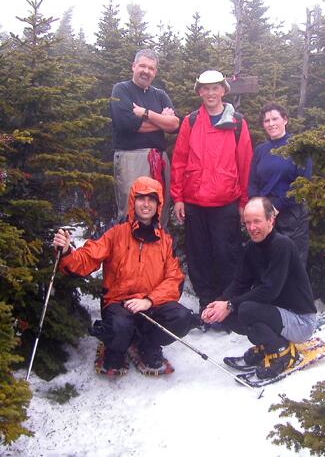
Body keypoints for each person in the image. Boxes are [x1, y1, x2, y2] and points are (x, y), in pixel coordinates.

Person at [53, 176, 194, 377]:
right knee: (120, 327)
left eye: (151, 199)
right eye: (141, 198)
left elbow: (174, 280)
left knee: (181, 317)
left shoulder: (166, 241)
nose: (146, 204)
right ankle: (115, 348)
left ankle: (149, 344)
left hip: (150, 306)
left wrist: (148, 300)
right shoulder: (116, 233)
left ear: (158, 204)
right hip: (119, 304)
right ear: (132, 202)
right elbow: (87, 258)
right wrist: (67, 252)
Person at [201, 197, 317, 379]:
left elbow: (270, 290)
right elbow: (240, 283)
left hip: (300, 321)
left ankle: (283, 353)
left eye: (257, 221)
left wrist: (231, 304)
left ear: (271, 220)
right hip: (277, 314)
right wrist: (220, 303)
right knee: (227, 314)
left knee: (245, 309)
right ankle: (266, 346)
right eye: (247, 222)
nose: (252, 227)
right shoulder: (251, 248)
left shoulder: (282, 245)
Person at [170, 70, 253, 319]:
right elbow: (179, 160)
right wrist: (178, 198)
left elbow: (245, 164)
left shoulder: (237, 123)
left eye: (215, 88)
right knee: (199, 258)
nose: (210, 93)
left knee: (228, 255)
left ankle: (228, 307)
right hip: (195, 203)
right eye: (205, 88)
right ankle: (207, 307)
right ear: (199, 92)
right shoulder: (191, 121)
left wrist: (244, 203)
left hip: (226, 203)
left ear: (223, 90)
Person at [110, 48, 180, 228]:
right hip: (131, 159)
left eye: (151, 68)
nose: (146, 71)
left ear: (155, 72)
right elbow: (126, 124)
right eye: (142, 66)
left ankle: (157, 254)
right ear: (133, 66)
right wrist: (161, 119)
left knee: (159, 210)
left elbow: (174, 125)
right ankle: (129, 254)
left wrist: (145, 113)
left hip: (159, 160)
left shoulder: (160, 94)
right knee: (132, 210)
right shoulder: (121, 90)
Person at [248, 102, 312, 266]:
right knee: (266, 264)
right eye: (266, 121)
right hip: (265, 215)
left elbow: (302, 184)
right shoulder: (261, 150)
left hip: (292, 215)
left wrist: (277, 206)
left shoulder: (299, 147)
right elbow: (253, 181)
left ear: (285, 120)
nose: (271, 124)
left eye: (274, 119)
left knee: (291, 265)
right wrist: (257, 207)